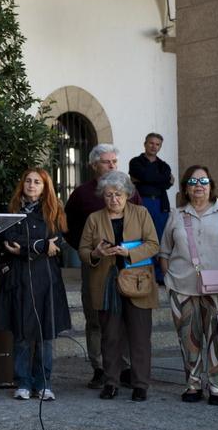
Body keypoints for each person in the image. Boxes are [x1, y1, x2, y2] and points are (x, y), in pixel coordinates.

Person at [157, 166, 218, 406]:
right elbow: (164, 251)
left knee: (217, 338)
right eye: (193, 181)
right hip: (182, 285)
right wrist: (169, 279)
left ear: (211, 185)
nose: (199, 185)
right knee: (188, 337)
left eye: (204, 180)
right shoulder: (176, 215)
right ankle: (193, 384)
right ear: (186, 188)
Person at [64, 143, 141, 389]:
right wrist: (86, 250)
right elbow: (68, 226)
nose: (111, 166)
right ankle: (99, 367)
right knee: (95, 316)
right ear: (94, 165)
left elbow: (141, 219)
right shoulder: (82, 194)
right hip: (96, 265)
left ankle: (125, 366)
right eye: (106, 162)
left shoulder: (130, 190)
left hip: (126, 263)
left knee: (126, 315)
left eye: (114, 162)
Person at [78, 171, 159, 402]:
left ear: (128, 195)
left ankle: (140, 384)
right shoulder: (94, 218)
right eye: (109, 195)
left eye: (119, 194)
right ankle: (111, 381)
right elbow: (83, 250)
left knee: (140, 336)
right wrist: (95, 252)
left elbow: (153, 244)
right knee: (110, 336)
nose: (114, 199)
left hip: (138, 281)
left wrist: (129, 252)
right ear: (102, 196)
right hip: (106, 283)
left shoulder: (141, 213)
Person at [0, 168, 71, 402]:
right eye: (28, 180)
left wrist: (29, 249)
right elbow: (9, 241)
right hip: (19, 279)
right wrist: (40, 247)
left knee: (45, 336)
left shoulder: (54, 210)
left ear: (45, 186)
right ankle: (23, 383)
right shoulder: (13, 211)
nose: (31, 185)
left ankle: (44, 383)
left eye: (37, 182)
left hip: (46, 280)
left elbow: (59, 242)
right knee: (21, 334)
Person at [129, 133, 174, 284]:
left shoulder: (164, 165)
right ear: (145, 144)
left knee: (161, 239)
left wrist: (146, 179)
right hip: (142, 203)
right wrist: (159, 179)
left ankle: (160, 274)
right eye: (151, 143)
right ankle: (143, 274)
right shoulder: (136, 162)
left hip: (160, 204)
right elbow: (163, 180)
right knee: (141, 238)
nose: (154, 147)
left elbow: (163, 182)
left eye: (157, 144)